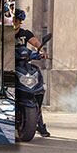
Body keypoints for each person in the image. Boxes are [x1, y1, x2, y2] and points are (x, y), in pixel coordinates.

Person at [14, 9, 49, 137]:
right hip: (9, 65)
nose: (14, 22)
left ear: (20, 21)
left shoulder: (25, 33)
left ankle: (39, 123)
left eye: (17, 20)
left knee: (37, 88)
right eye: (13, 19)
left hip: (23, 65)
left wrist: (42, 51)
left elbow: (35, 43)